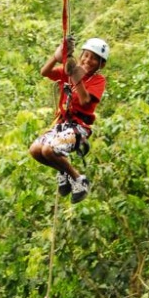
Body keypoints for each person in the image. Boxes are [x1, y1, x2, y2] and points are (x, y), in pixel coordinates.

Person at [29, 36, 109, 203]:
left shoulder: (98, 80)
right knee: (36, 150)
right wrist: (57, 56)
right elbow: (45, 72)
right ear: (81, 56)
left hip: (79, 128)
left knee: (49, 150)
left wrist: (75, 76)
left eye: (94, 58)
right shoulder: (69, 71)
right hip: (61, 125)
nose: (88, 60)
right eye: (86, 55)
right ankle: (65, 173)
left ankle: (79, 179)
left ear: (101, 65)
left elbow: (85, 100)